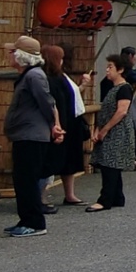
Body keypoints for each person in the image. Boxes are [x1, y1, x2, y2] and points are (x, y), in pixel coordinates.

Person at [3, 35, 62, 237]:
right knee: (22, 180)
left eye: (13, 52)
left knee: (27, 180)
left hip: (32, 135)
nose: (9, 55)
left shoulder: (34, 76)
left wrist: (54, 125)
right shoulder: (29, 75)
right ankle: (25, 219)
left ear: (21, 56)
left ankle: (35, 222)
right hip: (25, 134)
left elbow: (47, 102)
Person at [87, 55, 136, 212]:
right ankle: (117, 197)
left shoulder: (124, 88)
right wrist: (98, 128)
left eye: (110, 67)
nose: (107, 70)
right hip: (109, 129)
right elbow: (105, 112)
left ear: (120, 70)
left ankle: (105, 199)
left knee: (110, 164)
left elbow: (122, 111)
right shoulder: (112, 87)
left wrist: (105, 129)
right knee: (110, 164)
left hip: (118, 131)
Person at [41, 45, 89, 207]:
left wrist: (82, 86)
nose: (62, 61)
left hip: (71, 121)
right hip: (57, 123)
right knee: (49, 160)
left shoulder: (62, 76)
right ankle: (41, 196)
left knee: (70, 160)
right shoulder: (46, 78)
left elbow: (72, 96)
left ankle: (70, 194)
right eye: (60, 58)